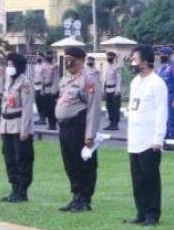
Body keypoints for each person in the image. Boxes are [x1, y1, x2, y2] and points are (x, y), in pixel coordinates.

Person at [124, 45, 169, 226]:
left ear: (144, 61)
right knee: (137, 178)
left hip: (149, 140)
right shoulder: (136, 82)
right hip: (135, 137)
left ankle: (152, 214)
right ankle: (141, 212)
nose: (132, 63)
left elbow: (161, 112)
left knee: (150, 179)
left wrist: (158, 138)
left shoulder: (157, 83)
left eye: (135, 59)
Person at [55, 46, 101, 212]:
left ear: (81, 60)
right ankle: (76, 196)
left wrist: (90, 135)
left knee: (84, 164)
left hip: (79, 126)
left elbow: (94, 108)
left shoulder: (89, 79)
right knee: (70, 163)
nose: (67, 61)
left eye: (71, 58)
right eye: (66, 58)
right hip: (65, 126)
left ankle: (85, 199)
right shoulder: (66, 79)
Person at [0, 53, 35, 203]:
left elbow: (27, 108)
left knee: (22, 159)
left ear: (19, 66)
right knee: (10, 158)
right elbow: (5, 105)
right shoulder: (8, 81)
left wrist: (24, 130)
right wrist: (1, 128)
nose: (9, 67)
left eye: (11, 65)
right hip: (7, 125)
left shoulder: (25, 83)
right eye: (7, 64)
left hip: (19, 126)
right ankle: (14, 188)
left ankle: (22, 191)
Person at [158, 47, 174, 139]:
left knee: (172, 117)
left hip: (170, 95)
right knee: (163, 117)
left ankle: (171, 137)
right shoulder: (161, 67)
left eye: (163, 54)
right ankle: (165, 135)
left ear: (169, 55)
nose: (161, 56)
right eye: (160, 54)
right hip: (162, 95)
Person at [102, 51, 123, 131]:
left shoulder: (117, 67)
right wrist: (103, 90)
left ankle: (115, 124)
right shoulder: (106, 67)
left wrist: (118, 90)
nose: (108, 58)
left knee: (115, 108)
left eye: (110, 57)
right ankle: (110, 123)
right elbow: (104, 80)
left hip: (114, 90)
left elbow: (119, 79)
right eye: (107, 57)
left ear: (113, 58)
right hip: (108, 89)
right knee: (109, 107)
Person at [40, 54, 60, 130]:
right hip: (46, 90)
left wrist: (54, 91)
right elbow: (42, 78)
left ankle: (53, 124)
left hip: (52, 89)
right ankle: (50, 123)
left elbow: (55, 79)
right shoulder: (44, 66)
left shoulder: (55, 66)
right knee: (47, 109)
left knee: (53, 108)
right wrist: (42, 89)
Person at [32, 54, 47, 126]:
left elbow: (44, 77)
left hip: (42, 87)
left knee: (42, 104)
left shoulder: (44, 66)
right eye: (36, 56)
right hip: (36, 86)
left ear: (42, 58)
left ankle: (43, 119)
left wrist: (43, 88)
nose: (37, 58)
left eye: (39, 57)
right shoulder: (36, 66)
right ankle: (40, 118)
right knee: (38, 103)